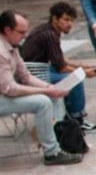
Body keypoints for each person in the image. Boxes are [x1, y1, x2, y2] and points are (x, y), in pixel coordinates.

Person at [0, 10, 82, 165]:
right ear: (7, 30)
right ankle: (52, 153)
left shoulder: (13, 45)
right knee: (42, 102)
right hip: (4, 95)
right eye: (21, 32)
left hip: (5, 93)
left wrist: (50, 87)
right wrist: (46, 90)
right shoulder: (1, 52)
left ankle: (58, 138)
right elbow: (10, 89)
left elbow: (25, 76)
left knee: (53, 95)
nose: (25, 36)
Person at [21, 2, 96, 131]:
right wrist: (84, 73)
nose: (70, 24)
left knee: (75, 74)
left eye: (71, 20)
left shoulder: (49, 30)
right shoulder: (49, 34)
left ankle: (69, 116)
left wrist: (81, 66)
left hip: (40, 69)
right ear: (55, 18)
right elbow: (61, 67)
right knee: (75, 79)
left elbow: (59, 59)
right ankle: (76, 120)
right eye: (66, 19)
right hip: (34, 75)